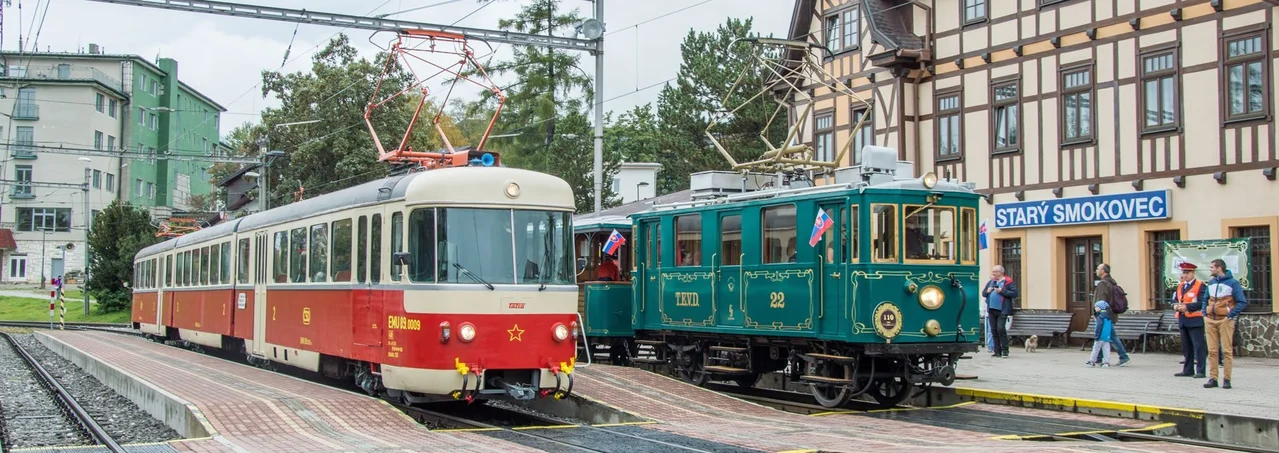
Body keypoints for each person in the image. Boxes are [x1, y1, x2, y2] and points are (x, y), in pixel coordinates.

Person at [1204, 258, 1247, 389]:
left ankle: (1227, 379)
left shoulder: (1232, 283)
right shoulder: (1211, 283)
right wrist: (1204, 313)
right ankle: (1213, 378)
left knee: (1226, 350)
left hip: (1225, 320)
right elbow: (1205, 300)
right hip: (1210, 319)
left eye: (1212, 267)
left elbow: (1242, 302)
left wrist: (1230, 316)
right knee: (1212, 351)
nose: (1210, 269)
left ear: (1219, 268)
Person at [1173, 262, 1208, 378]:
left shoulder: (1200, 285)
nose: (1185, 275)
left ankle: (1201, 370)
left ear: (1193, 273)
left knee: (1199, 346)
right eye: (1183, 272)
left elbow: (1202, 302)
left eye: (1187, 273)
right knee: (1186, 346)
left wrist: (1187, 307)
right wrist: (1175, 306)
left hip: (1195, 320)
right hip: (1183, 319)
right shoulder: (1181, 286)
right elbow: (1174, 299)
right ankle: (1188, 369)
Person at [1093, 264, 1130, 367]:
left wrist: (1097, 313)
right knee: (1102, 336)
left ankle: (1123, 356)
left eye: (1098, 268)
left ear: (1104, 271)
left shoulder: (1103, 284)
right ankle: (1098, 358)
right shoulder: (1111, 282)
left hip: (1104, 315)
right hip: (1109, 314)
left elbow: (1101, 301)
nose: (1096, 270)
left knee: (1111, 336)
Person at [981, 265, 1018, 358]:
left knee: (1000, 329)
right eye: (993, 272)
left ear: (1000, 272)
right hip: (991, 309)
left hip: (1002, 309)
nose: (993, 273)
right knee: (993, 330)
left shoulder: (1008, 282)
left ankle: (1005, 350)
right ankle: (997, 351)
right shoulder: (991, 282)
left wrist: (1001, 291)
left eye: (995, 272)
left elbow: (1014, 293)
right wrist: (988, 291)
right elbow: (983, 293)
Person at [1086, 300, 1114, 368]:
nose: (1095, 308)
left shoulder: (1100, 316)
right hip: (1107, 336)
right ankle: (1106, 363)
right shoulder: (1108, 316)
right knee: (1106, 349)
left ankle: (1092, 361)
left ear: (1100, 307)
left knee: (1096, 348)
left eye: (1096, 307)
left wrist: (1096, 336)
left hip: (1100, 336)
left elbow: (1099, 326)